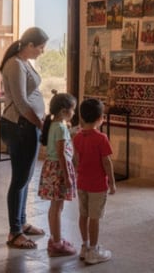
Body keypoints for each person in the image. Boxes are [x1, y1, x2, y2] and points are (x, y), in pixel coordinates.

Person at [0, 26, 49, 249]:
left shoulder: (24, 63)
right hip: (20, 127)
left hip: (27, 126)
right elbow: (21, 103)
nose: (42, 51)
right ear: (30, 45)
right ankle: (14, 232)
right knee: (19, 180)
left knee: (26, 177)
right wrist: (40, 123)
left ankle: (22, 221)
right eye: (40, 47)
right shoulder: (15, 65)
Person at [73, 98, 116, 265]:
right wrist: (112, 183)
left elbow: (76, 160)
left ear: (82, 117)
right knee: (94, 217)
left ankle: (84, 246)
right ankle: (94, 249)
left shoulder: (77, 138)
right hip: (97, 185)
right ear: (101, 118)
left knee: (83, 215)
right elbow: (107, 162)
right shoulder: (101, 138)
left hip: (82, 182)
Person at [38, 92, 78, 257]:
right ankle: (57, 243)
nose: (74, 113)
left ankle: (56, 238)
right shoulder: (60, 128)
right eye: (72, 110)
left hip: (51, 167)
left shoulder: (55, 125)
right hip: (58, 170)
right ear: (63, 111)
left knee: (55, 207)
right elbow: (61, 154)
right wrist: (68, 175)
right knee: (57, 208)